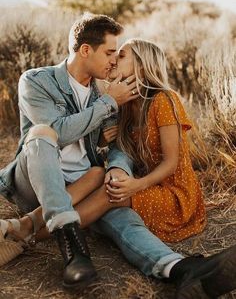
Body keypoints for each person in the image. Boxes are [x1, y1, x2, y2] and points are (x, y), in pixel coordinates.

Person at [0, 26, 236, 298]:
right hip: (37, 182)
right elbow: (57, 131)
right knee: (43, 134)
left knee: (115, 202)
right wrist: (108, 104)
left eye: (119, 55)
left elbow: (119, 148)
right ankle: (38, 230)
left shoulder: (111, 96)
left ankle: (180, 268)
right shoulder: (39, 80)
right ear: (86, 50)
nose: (113, 60)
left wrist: (117, 169)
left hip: (85, 184)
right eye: (111, 52)